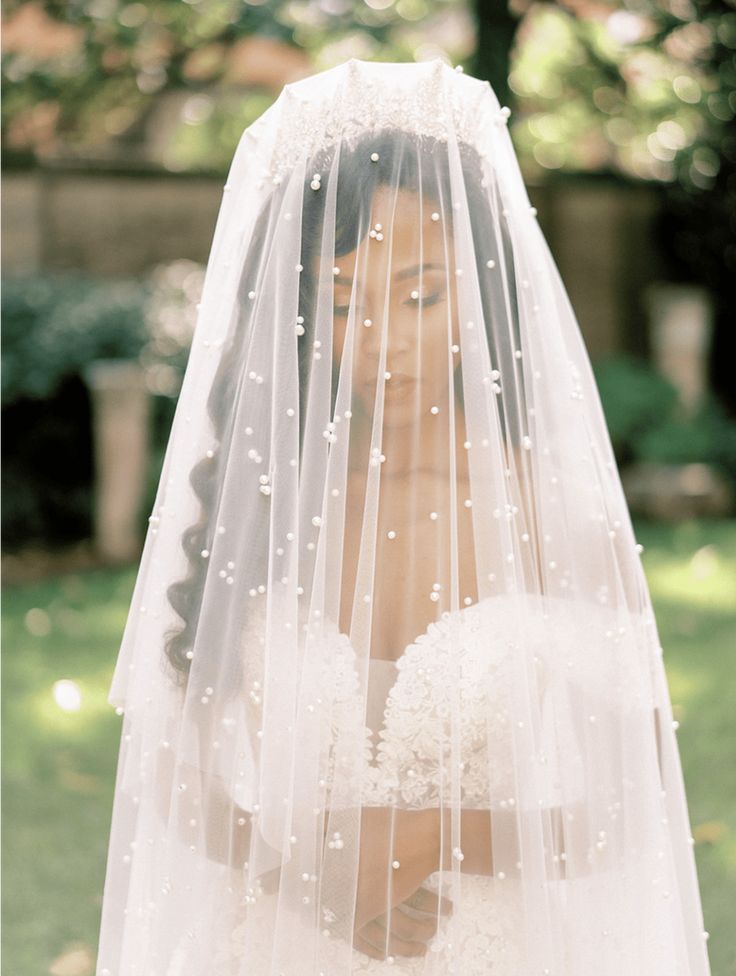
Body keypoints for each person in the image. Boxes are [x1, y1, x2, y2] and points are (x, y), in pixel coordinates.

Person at [95, 58, 712, 975]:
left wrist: (440, 835)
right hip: (277, 945)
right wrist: (299, 872)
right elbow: (169, 776)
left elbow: (631, 801)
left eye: (420, 294)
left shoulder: (544, 507)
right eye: (343, 301)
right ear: (303, 312)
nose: (381, 340)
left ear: (479, 287)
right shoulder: (264, 503)